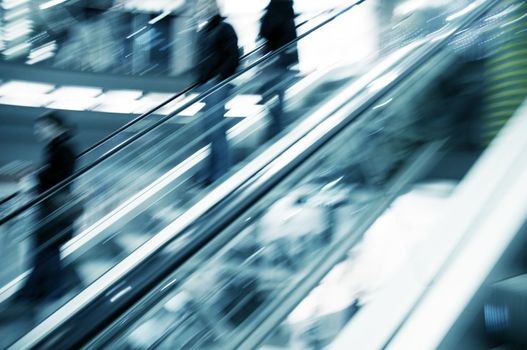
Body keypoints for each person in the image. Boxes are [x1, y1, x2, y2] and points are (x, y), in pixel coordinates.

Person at [2, 112, 78, 316]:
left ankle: (47, 293)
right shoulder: (58, 148)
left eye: (42, 127)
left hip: (54, 210)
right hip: (52, 209)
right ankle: (39, 292)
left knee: (47, 250)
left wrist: (36, 176)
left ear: (55, 127)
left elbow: (61, 179)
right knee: (45, 250)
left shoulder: (63, 149)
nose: (38, 131)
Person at [195, 0, 240, 185]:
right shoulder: (203, 31)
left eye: (207, 5)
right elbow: (201, 60)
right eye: (201, 6)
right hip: (206, 86)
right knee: (209, 132)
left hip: (218, 85)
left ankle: (221, 174)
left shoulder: (225, 28)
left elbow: (232, 57)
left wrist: (220, 77)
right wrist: (199, 81)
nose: (203, 9)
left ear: (214, 7)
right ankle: (210, 173)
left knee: (217, 130)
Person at [259, 0, 299, 139]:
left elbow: (265, 32)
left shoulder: (274, 10)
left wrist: (264, 18)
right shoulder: (288, 11)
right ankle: (280, 126)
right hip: (283, 61)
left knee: (267, 94)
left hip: (273, 60)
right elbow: (292, 37)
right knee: (277, 95)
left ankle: (279, 126)